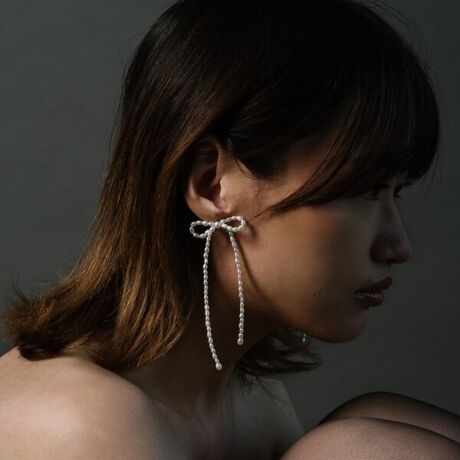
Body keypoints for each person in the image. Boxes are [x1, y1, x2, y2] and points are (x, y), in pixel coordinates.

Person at [0, 0, 459, 458]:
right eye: (362, 190)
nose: (398, 245)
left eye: (396, 192)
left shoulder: (248, 397)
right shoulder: (80, 425)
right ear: (212, 184)